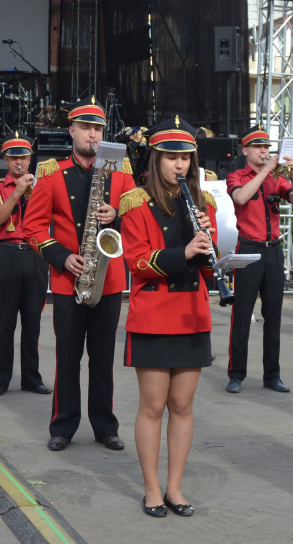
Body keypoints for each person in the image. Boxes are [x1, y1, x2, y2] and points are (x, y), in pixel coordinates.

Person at [23, 96, 135, 452]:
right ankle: (63, 425)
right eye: (86, 127)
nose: (92, 135)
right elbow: (33, 228)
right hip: (69, 278)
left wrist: (115, 214)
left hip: (110, 281)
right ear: (71, 130)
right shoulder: (52, 174)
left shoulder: (121, 176)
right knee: (67, 358)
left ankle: (105, 425)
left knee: (103, 359)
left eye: (98, 129)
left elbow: (137, 223)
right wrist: (61, 257)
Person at [118, 115, 217, 517]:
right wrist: (185, 253)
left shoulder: (204, 203)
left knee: (182, 405)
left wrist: (217, 259)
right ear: (157, 159)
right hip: (155, 314)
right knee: (153, 406)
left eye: (186, 158)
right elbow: (137, 261)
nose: (180, 165)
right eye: (172, 157)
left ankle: (175, 487)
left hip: (192, 313)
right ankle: (152, 488)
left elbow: (208, 268)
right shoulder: (136, 203)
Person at [224, 125, 293, 394]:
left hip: (273, 250)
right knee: (242, 314)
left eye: (267, 147)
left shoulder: (277, 177)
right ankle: (236, 374)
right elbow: (241, 197)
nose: (264, 151)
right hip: (247, 248)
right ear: (246, 150)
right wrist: (265, 170)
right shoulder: (236, 175)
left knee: (273, 316)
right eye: (259, 147)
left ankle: (273, 375)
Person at [0, 134, 51, 396]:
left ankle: (31, 378)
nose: (19, 163)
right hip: (9, 252)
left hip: (36, 253)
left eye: (23, 157)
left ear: (30, 159)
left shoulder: (44, 186)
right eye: (13, 158)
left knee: (33, 321)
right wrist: (18, 191)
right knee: (6, 320)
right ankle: (1, 379)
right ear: (6, 160)